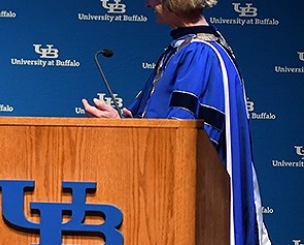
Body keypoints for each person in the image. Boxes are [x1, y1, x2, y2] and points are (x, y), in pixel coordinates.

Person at [82, 0, 270, 244]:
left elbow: (182, 142)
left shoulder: (198, 54)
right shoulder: (187, 49)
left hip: (189, 204)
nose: (147, 3)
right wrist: (121, 125)